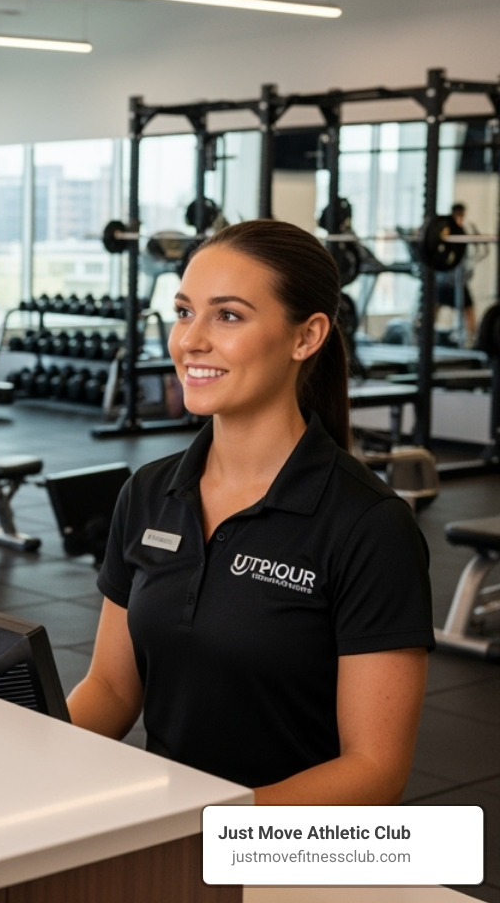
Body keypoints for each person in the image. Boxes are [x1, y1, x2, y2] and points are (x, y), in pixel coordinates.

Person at [68, 219, 432, 804]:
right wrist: (27, 753)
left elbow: (373, 770)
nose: (190, 340)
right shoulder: (148, 493)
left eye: (228, 315)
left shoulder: (368, 525)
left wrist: (206, 832)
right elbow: (111, 688)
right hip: (167, 846)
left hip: (289, 858)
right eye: (185, 311)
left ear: (306, 336)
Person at [434, 202, 477, 345]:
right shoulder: (445, 230)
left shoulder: (463, 231)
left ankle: (473, 340)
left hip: (459, 279)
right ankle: (426, 335)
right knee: (434, 306)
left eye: (462, 216)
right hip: (445, 279)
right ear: (453, 214)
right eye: (458, 215)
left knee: (468, 310)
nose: (461, 218)